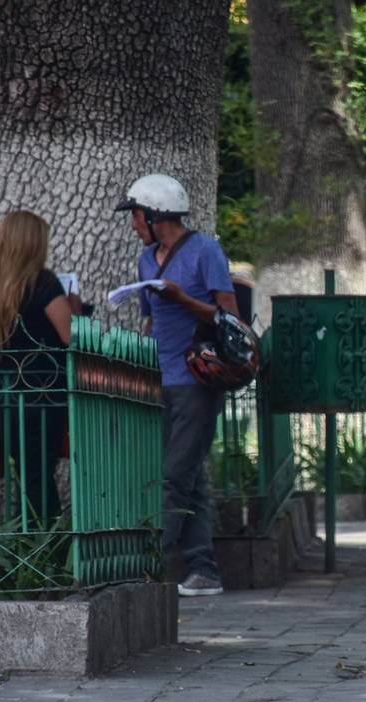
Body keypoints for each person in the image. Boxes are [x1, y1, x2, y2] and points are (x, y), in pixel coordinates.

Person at [115, 174, 238, 597]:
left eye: (135, 215)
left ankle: (148, 567)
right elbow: (150, 318)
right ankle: (204, 570)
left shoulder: (205, 251)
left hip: (195, 378)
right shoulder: (147, 259)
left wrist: (183, 299)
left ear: (155, 214)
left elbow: (229, 315)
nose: (132, 224)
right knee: (191, 477)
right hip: (161, 376)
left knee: (172, 477)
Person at [0, 210, 81, 523]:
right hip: (41, 389)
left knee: (27, 471)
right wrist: (75, 309)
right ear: (34, 244)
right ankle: (42, 546)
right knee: (38, 473)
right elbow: (69, 335)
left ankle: (33, 544)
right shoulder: (43, 282)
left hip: (2, 389)